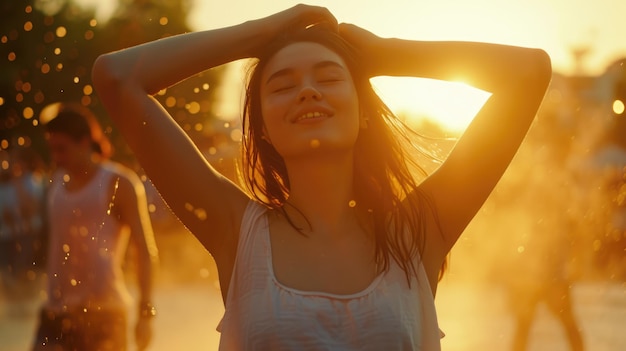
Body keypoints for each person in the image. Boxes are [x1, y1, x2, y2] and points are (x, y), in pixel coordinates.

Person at [92, 4, 551, 349]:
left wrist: (383, 53)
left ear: (363, 114)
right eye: (283, 84)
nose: (307, 89)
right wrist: (263, 34)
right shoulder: (237, 231)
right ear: (265, 130)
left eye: (330, 78)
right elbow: (115, 77)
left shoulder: (417, 232)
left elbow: (529, 72)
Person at [32, 103, 159, 351]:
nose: (56, 157)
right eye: (52, 150)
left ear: (85, 142)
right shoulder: (56, 183)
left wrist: (145, 313)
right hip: (56, 311)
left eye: (62, 149)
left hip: (105, 314)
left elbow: (144, 250)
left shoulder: (118, 183)